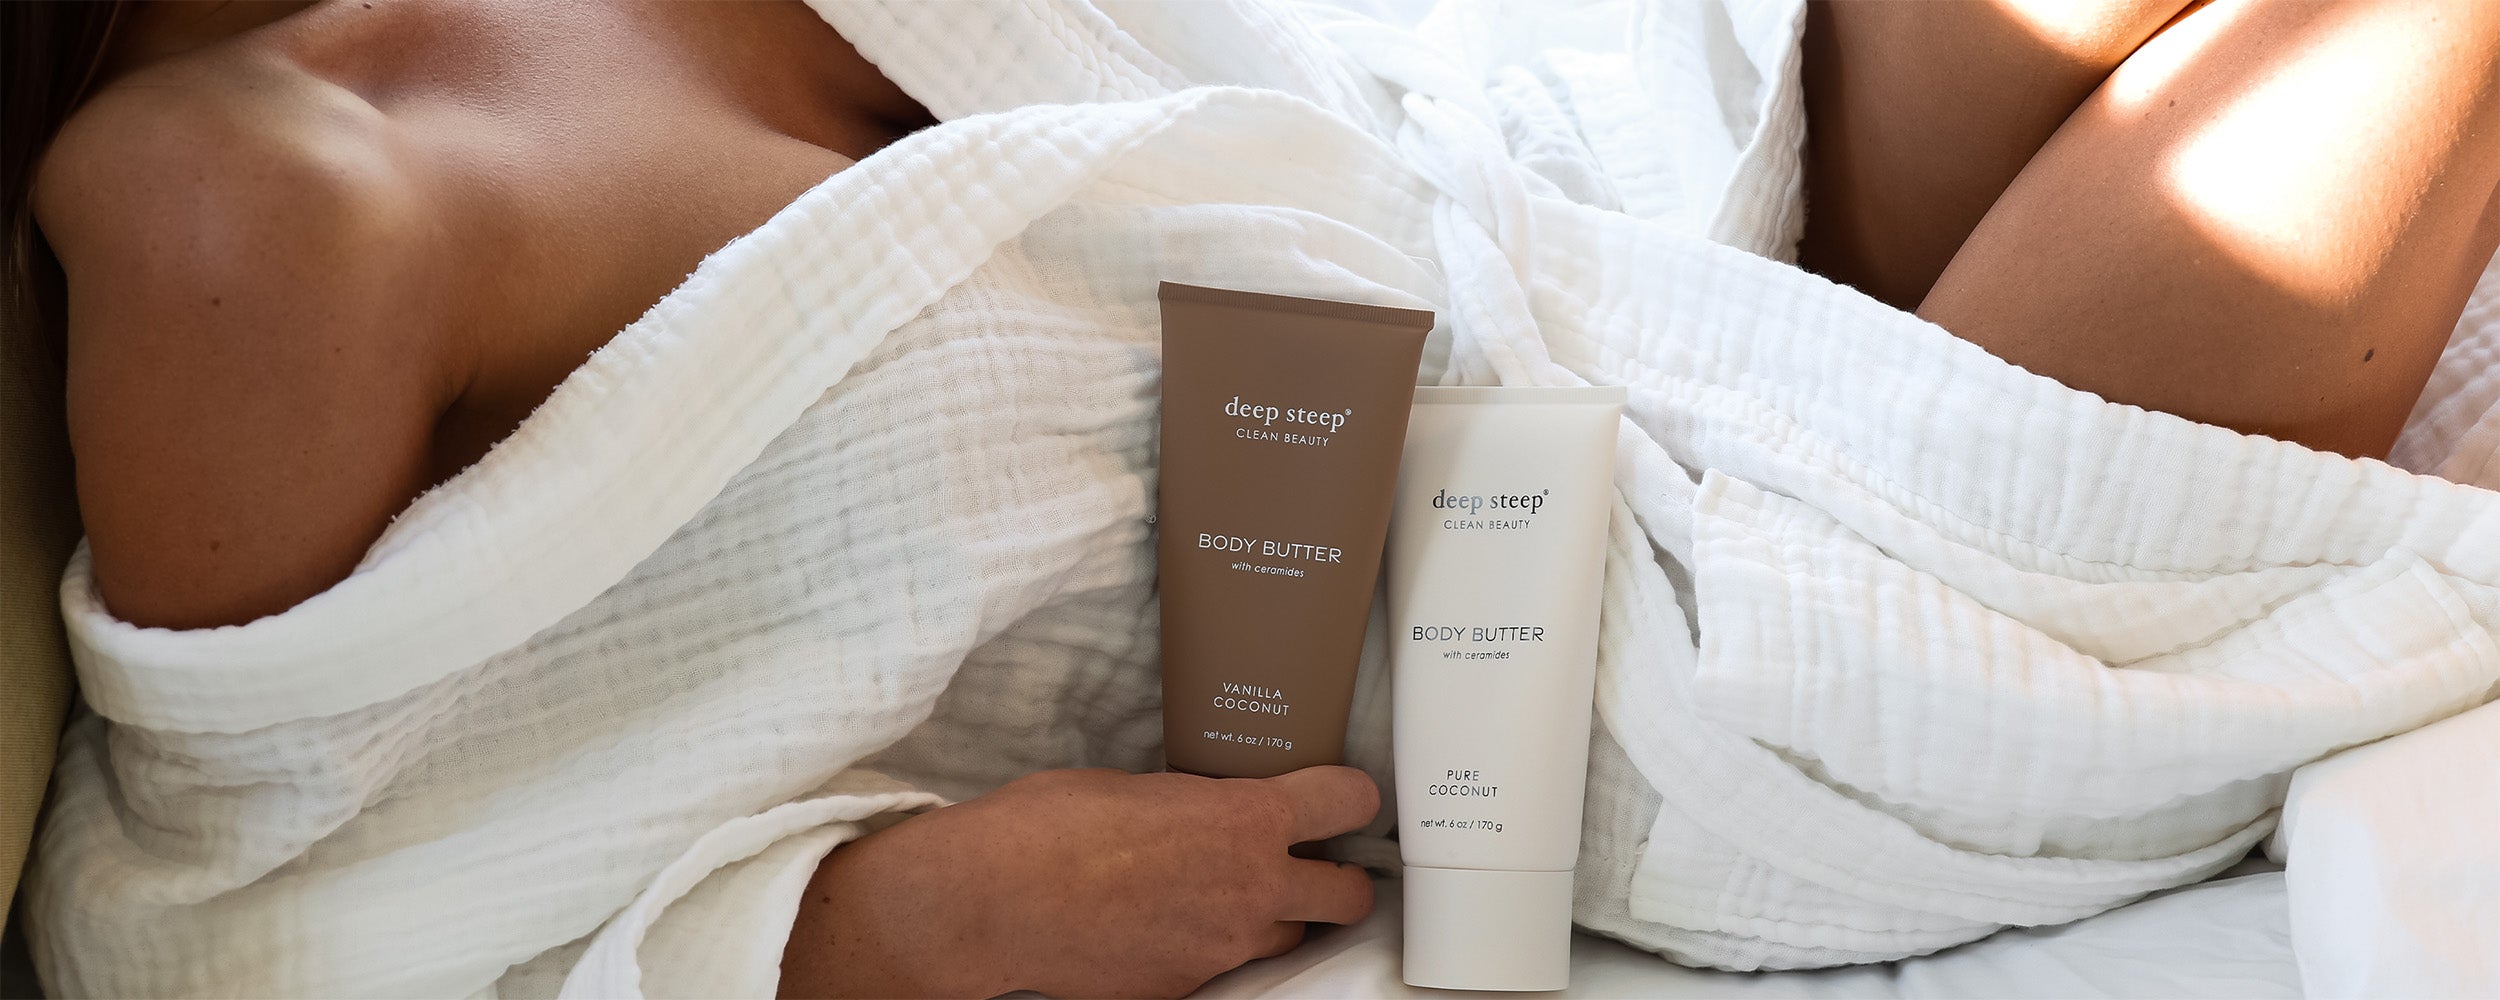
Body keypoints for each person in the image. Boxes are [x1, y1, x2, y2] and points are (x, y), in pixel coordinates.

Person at [3, 1, 2494, 996]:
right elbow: (218, 937)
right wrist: (861, 930)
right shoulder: (247, 208)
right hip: (1608, 626)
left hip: (1591, 205)